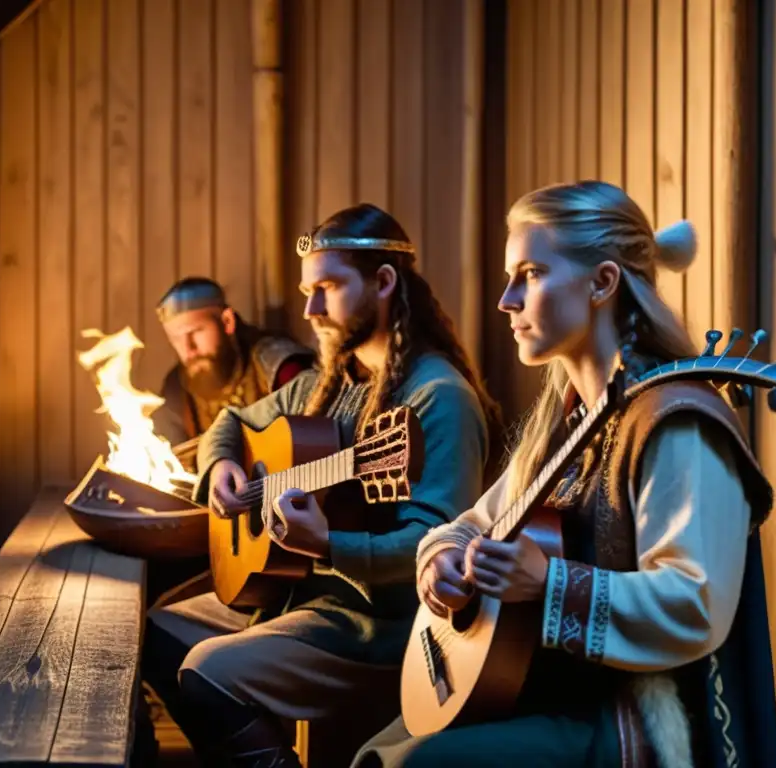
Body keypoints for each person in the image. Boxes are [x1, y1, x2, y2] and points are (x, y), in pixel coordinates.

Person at [352, 180, 776, 768]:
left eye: (529, 274)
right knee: (376, 753)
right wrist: (443, 563)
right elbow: (476, 522)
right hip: (555, 689)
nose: (506, 300)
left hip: (644, 724)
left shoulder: (677, 421)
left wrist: (549, 584)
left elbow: (695, 601)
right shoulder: (566, 420)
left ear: (603, 282)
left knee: (415, 764)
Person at [140, 203, 506, 768]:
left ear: (384, 283)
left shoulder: (440, 398)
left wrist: (328, 546)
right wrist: (220, 469)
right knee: (154, 632)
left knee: (207, 673)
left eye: (328, 288)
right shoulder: (331, 382)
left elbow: (437, 542)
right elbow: (230, 423)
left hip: (382, 626)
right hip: (301, 594)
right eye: (308, 290)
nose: (310, 310)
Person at [151, 276, 315, 452]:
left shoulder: (276, 364)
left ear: (227, 321)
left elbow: (311, 437)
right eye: (176, 339)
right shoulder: (177, 389)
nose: (188, 349)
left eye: (196, 331)